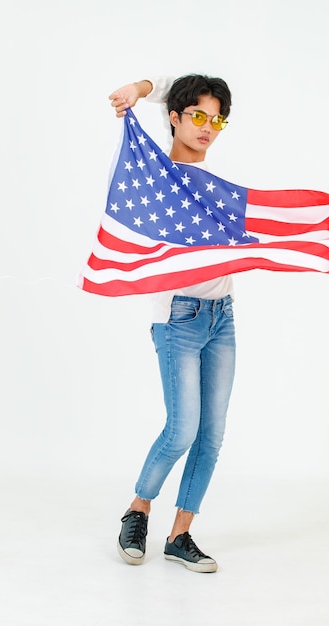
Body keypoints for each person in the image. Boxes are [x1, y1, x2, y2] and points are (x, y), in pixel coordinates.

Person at [108, 75, 235, 573]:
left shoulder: (219, 184)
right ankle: (138, 509)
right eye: (196, 116)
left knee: (212, 434)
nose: (207, 127)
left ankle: (180, 533)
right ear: (176, 118)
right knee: (182, 429)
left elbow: (185, 98)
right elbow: (171, 88)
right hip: (177, 319)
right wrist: (142, 88)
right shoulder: (157, 176)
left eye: (217, 118)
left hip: (222, 317)